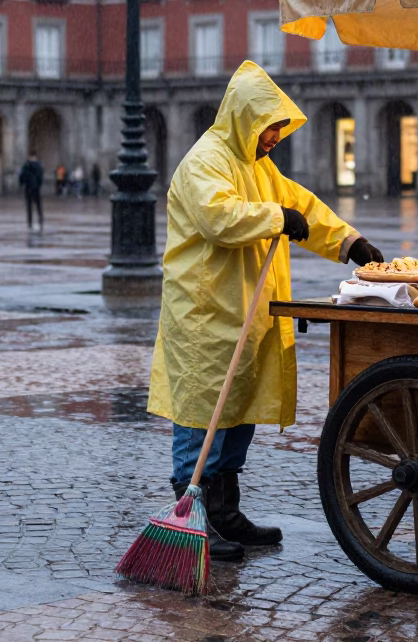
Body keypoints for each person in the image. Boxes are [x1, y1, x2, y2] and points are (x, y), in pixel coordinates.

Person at [147, 61, 385, 562]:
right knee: (203, 414)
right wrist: (279, 217)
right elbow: (219, 217)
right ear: (245, 119)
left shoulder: (260, 167)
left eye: (280, 127)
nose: (276, 136)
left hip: (247, 312)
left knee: (238, 414)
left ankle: (225, 511)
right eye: (270, 126)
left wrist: (349, 241)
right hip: (206, 314)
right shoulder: (204, 162)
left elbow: (304, 206)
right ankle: (194, 515)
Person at [20, 152, 45, 231]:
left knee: (29, 206)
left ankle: (30, 222)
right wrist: (38, 184)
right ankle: (40, 219)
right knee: (38, 205)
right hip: (35, 188)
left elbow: (21, 175)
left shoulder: (26, 165)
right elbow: (40, 176)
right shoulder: (38, 165)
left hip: (28, 187)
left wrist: (23, 183)